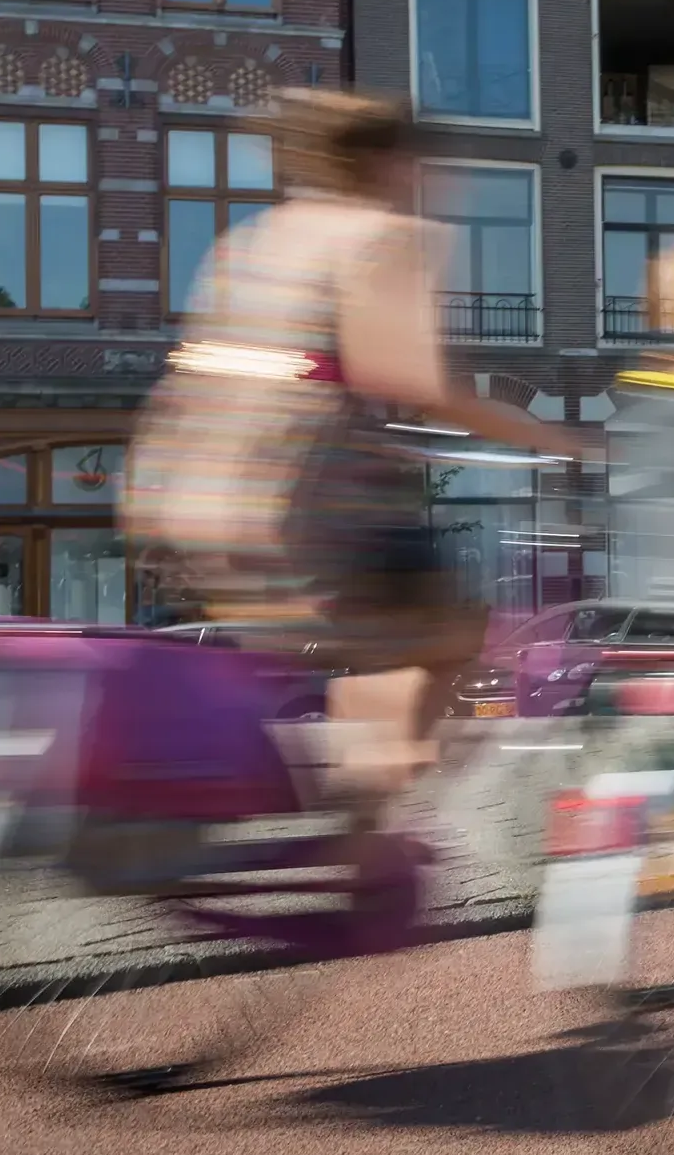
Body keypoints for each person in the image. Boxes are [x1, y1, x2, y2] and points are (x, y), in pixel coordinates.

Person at [126, 89, 586, 798]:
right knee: (456, 634)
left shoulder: (249, 241)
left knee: (372, 648)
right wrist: (558, 439)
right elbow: (415, 383)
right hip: (303, 507)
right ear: (390, 163)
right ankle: (370, 827)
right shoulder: (384, 235)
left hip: (187, 501)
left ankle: (338, 792)